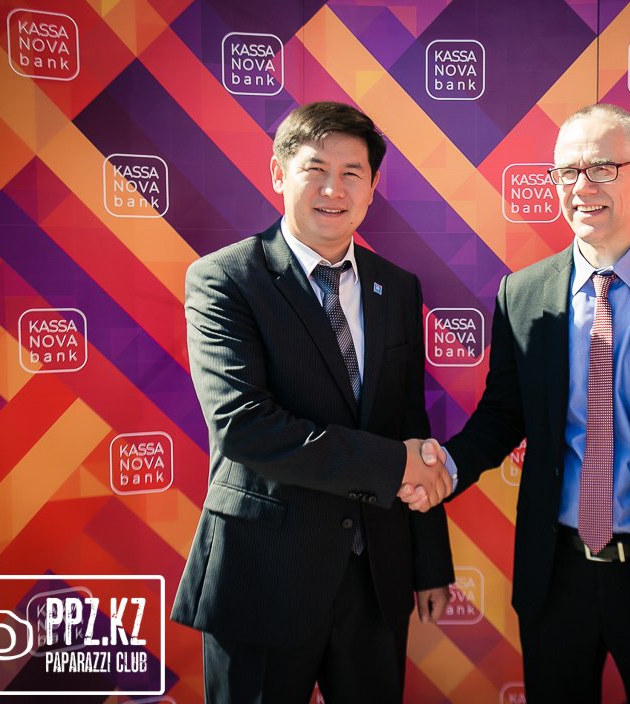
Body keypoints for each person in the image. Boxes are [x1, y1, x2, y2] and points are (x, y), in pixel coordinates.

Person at [404, 103, 630, 702]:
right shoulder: (522, 293)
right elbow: (504, 414)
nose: (582, 187)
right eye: (567, 172)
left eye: (601, 168)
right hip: (557, 574)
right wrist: (449, 468)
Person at [172, 101, 455, 704]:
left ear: (372, 188)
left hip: (374, 580)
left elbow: (410, 424)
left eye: (352, 173)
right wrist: (393, 466)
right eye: (315, 169)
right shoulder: (226, 279)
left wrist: (429, 562)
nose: (334, 189)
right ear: (279, 173)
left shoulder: (396, 287)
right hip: (264, 576)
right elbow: (244, 427)